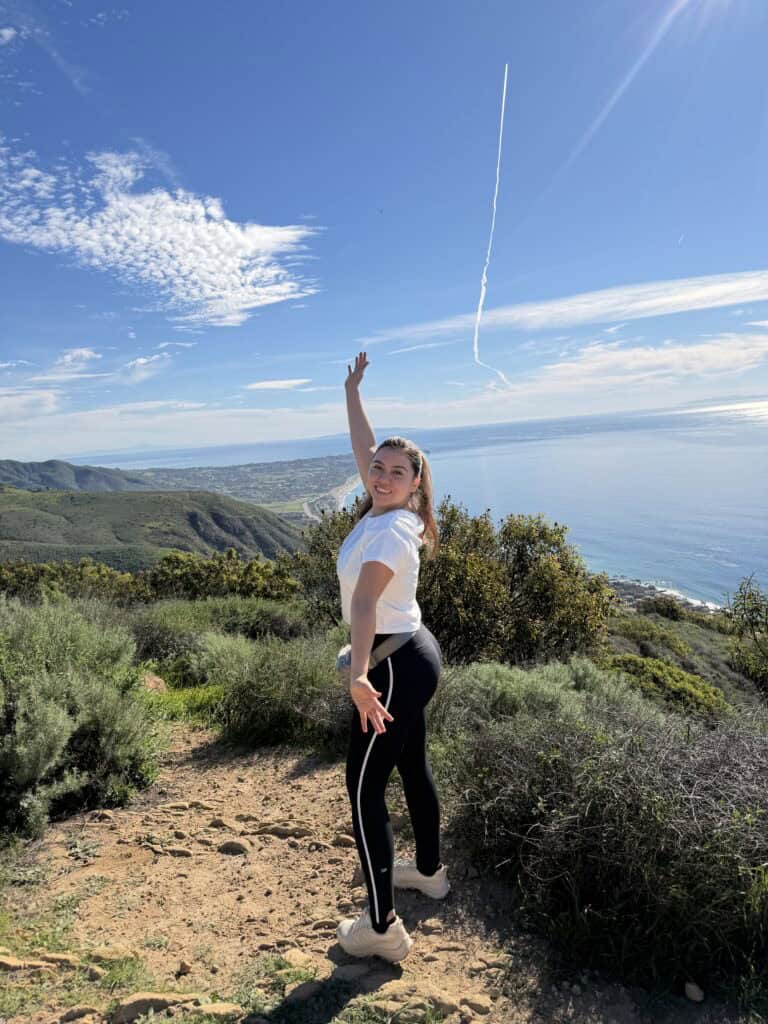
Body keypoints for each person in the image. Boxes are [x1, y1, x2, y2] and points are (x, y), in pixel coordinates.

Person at [335, 351, 449, 963]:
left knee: (363, 789)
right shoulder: (390, 509)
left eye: (394, 471)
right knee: (411, 765)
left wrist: (359, 675)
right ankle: (429, 873)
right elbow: (365, 446)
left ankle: (381, 928)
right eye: (377, 468)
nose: (379, 476)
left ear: (415, 484)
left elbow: (364, 602)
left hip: (392, 668)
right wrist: (352, 391)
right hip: (413, 652)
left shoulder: (389, 530)